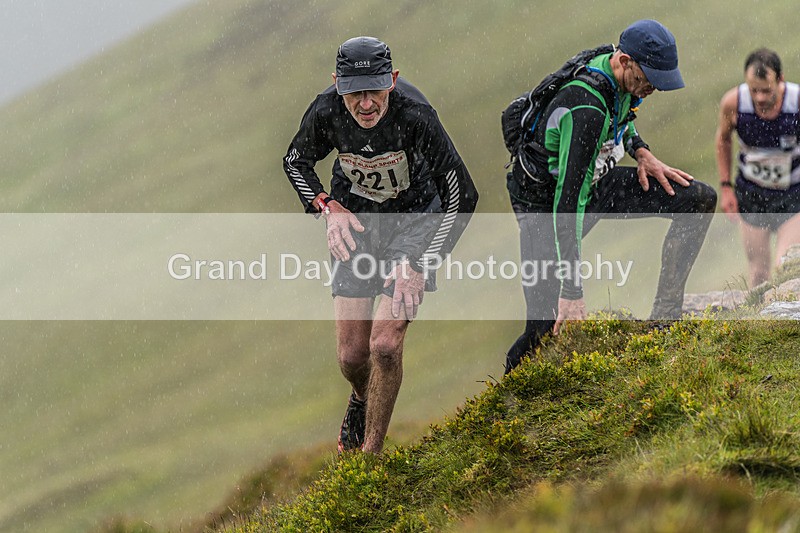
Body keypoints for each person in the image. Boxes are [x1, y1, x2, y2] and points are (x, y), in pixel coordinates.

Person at [283, 36, 478, 453]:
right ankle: (360, 398)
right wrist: (327, 207)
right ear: (338, 84)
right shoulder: (327, 110)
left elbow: (464, 195)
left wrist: (422, 264)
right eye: (355, 93)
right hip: (356, 223)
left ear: (393, 79)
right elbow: (294, 160)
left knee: (385, 345)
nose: (366, 104)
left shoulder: (416, 114)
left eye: (375, 90)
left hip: (413, 224)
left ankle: (370, 457)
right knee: (353, 357)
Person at [504, 20, 717, 374]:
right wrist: (572, 291)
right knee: (543, 330)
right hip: (546, 207)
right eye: (647, 78)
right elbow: (567, 203)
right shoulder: (585, 108)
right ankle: (505, 399)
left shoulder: (615, 71)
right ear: (625, 60)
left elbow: (623, 113)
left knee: (698, 200)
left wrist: (641, 150)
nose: (650, 89)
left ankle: (665, 321)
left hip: (595, 183)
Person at [716, 48, 800, 288]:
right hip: (752, 193)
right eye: (754, 90)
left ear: (780, 79)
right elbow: (723, 140)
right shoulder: (733, 103)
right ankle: (758, 324)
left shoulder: (797, 103)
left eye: (766, 90)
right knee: (758, 273)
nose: (760, 97)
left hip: (793, 194)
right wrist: (726, 188)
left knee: (785, 266)